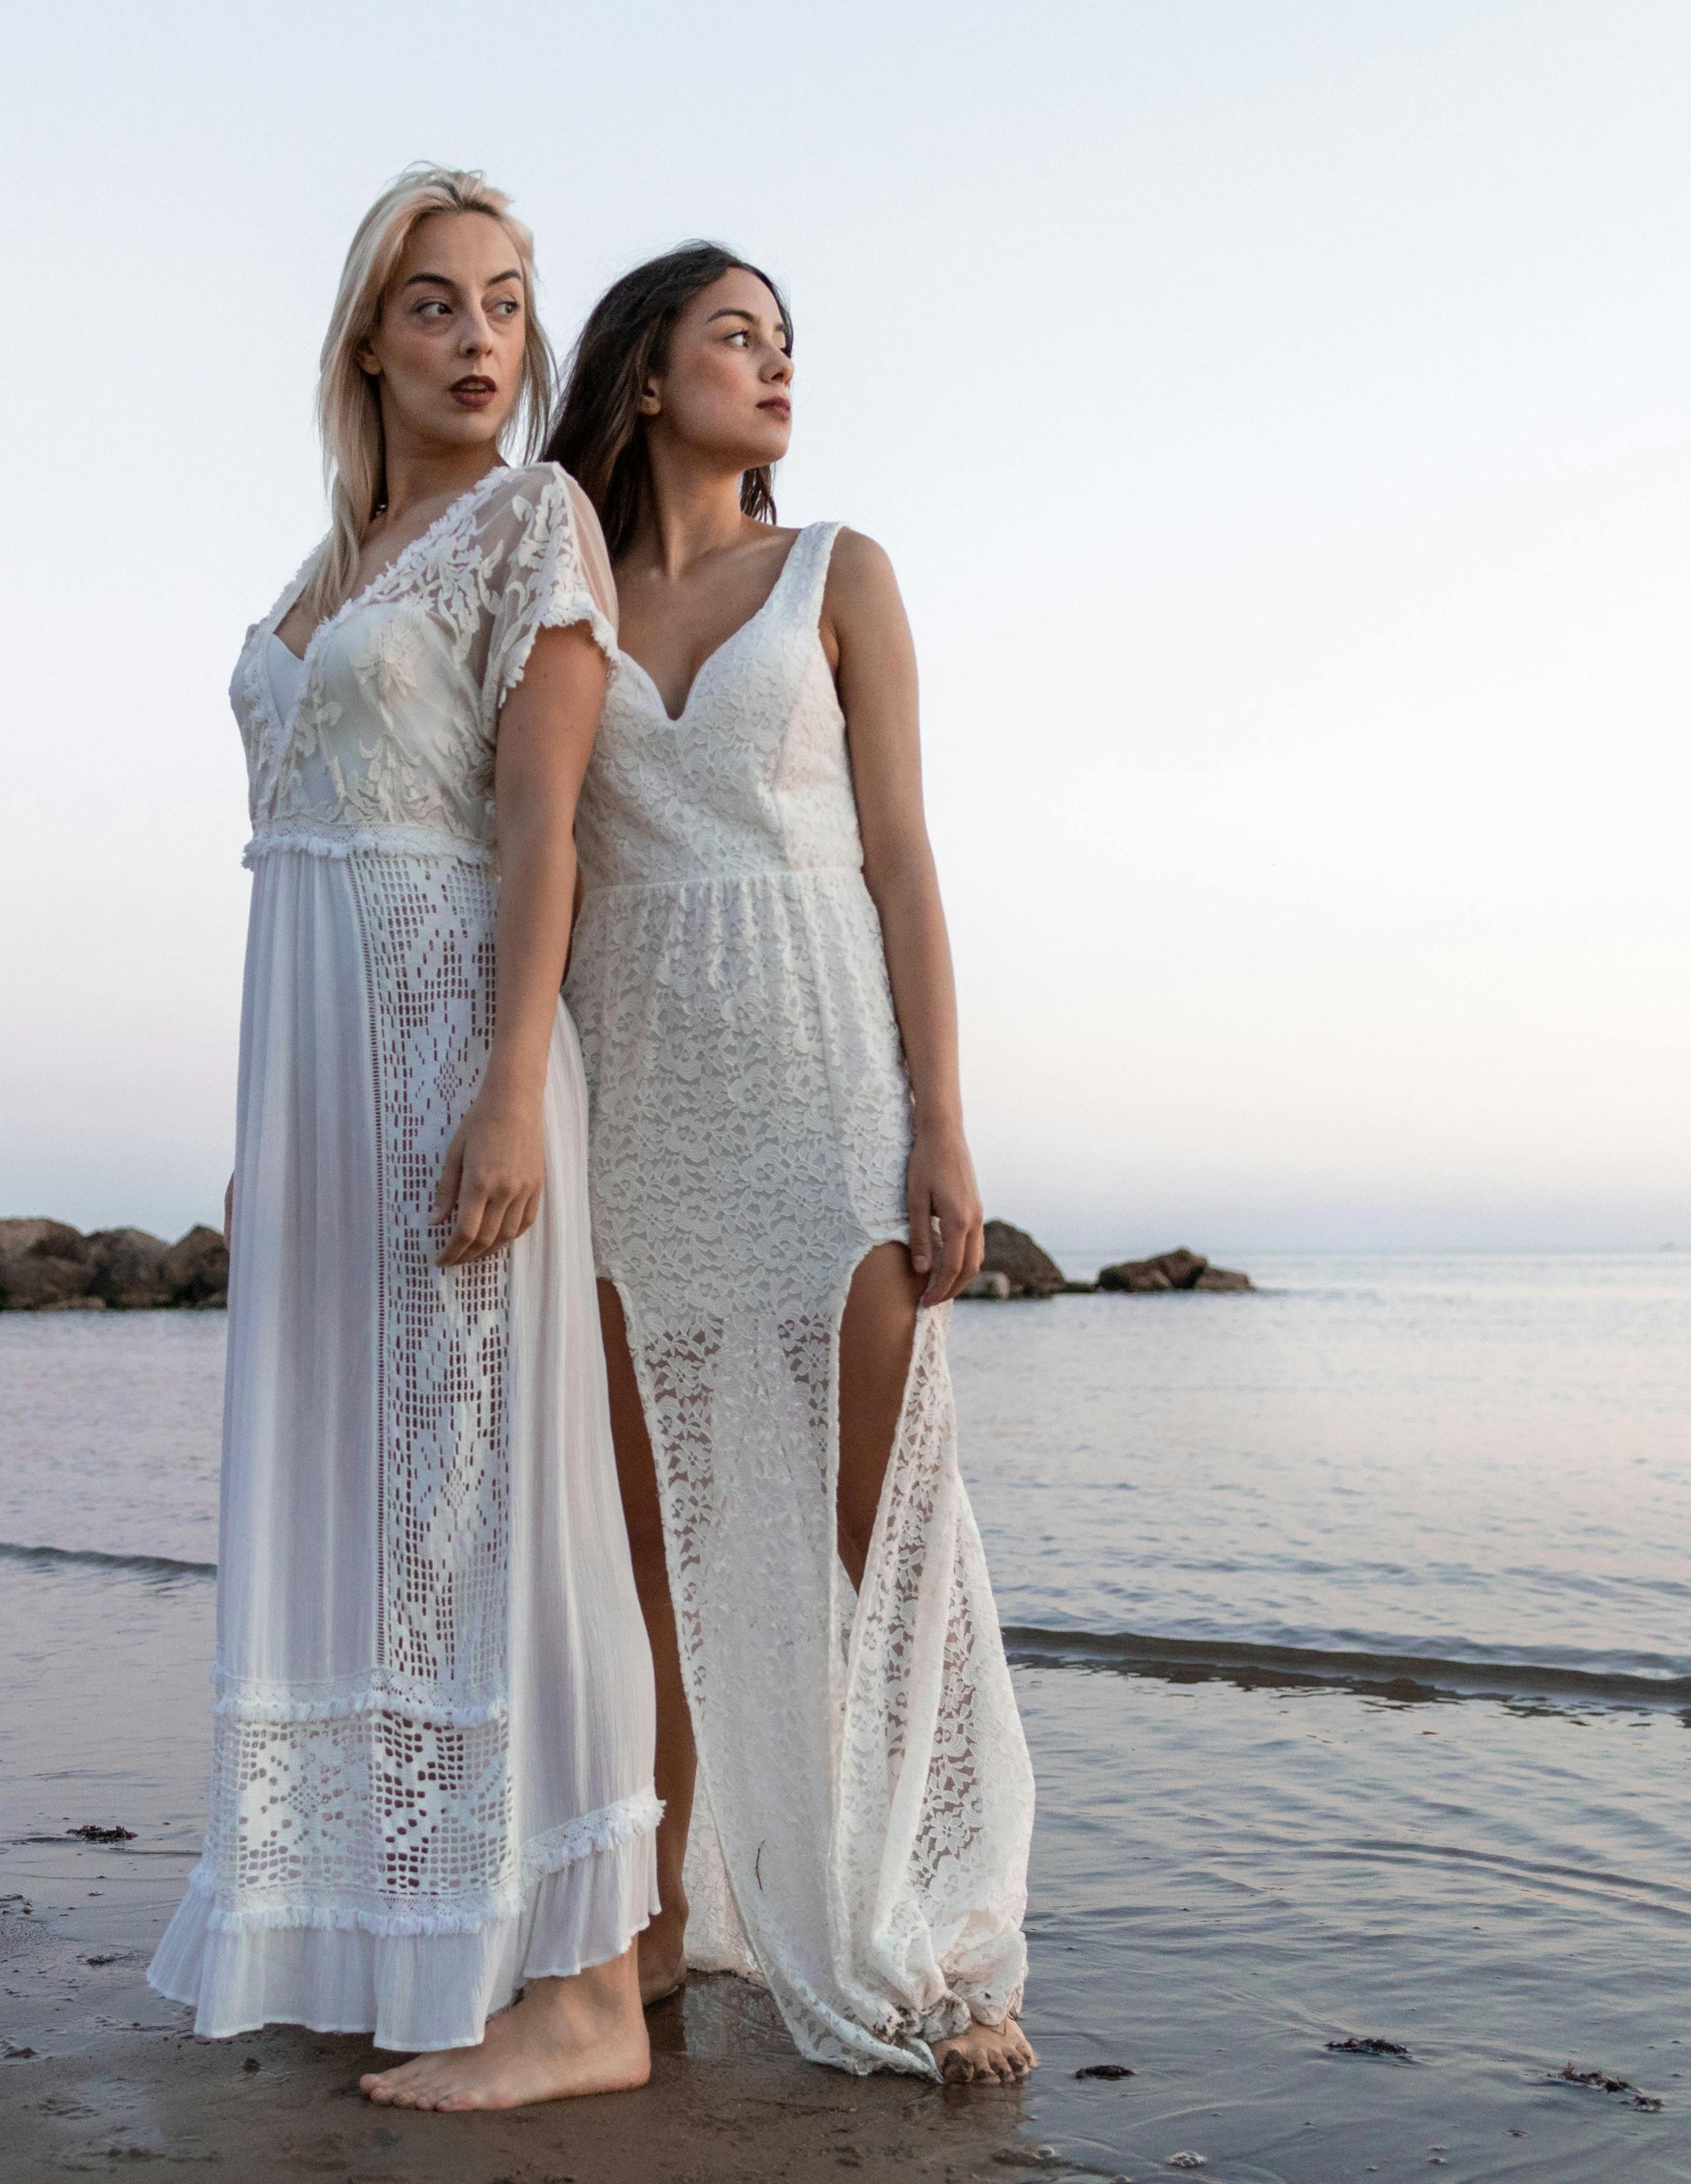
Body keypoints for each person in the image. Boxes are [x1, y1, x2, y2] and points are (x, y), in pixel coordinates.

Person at [146, 166, 659, 2113]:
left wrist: (512, 1085)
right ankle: (396, 1925)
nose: (479, 341)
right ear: (368, 335)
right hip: (315, 1075)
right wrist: (263, 1135)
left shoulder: (537, 522)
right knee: (370, 1502)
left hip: (458, 1040)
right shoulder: (321, 569)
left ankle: (590, 1988)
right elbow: (289, 858)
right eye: (437, 304)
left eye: (510, 305)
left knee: (496, 1500)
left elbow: (544, 826)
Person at [546, 243, 1037, 2083]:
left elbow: (904, 855)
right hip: (640, 1089)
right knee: (660, 1530)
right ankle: (665, 1914)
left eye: (786, 345)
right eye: (736, 336)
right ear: (647, 371)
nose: (774, 369)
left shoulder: (839, 570)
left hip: (825, 1071)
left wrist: (945, 1118)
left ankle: (951, 1928)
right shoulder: (568, 592)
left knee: (884, 1525)